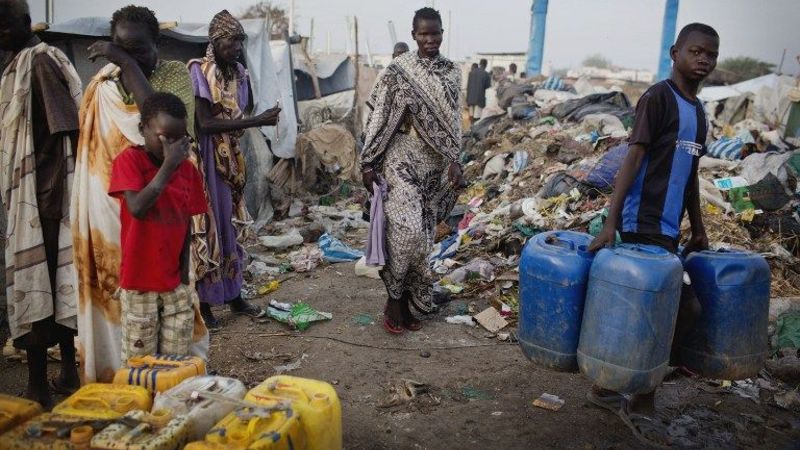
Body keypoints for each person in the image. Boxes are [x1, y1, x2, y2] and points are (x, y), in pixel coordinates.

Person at [586, 23, 719, 448]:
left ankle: (610, 389)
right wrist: (610, 223)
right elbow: (633, 158)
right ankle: (641, 400)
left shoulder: (697, 113)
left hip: (669, 230)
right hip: (640, 223)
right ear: (674, 52)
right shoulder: (657, 98)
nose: (703, 60)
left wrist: (697, 227)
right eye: (695, 51)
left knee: (662, 309)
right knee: (681, 309)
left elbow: (691, 173)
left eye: (710, 55)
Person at [71, 5, 209, 383]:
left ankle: (172, 389)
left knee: (174, 325)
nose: (128, 58)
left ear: (157, 44)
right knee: (128, 315)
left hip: (162, 211)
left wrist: (120, 60)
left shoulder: (173, 76)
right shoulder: (103, 84)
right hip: (111, 202)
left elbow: (154, 112)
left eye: (137, 51)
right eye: (120, 49)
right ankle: (120, 381)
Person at [361, 7, 463, 334]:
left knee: (423, 236)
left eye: (436, 33)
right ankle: (393, 300)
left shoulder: (452, 72)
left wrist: (455, 160)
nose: (430, 39)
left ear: (443, 33)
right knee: (404, 232)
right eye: (424, 34)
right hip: (400, 158)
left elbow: (453, 121)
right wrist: (368, 162)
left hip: (432, 166)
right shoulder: (398, 70)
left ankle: (408, 304)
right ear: (414, 35)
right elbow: (381, 117)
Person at [0, 0, 82, 407]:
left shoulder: (40, 62)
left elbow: (65, 130)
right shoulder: (20, 63)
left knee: (41, 289)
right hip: (38, 196)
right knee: (53, 289)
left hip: (45, 200)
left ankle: (39, 384)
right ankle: (67, 373)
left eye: (3, 27)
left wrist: (48, 201)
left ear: (19, 25)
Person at [189, 10, 280, 329]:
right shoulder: (200, 72)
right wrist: (258, 121)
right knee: (210, 226)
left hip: (232, 160)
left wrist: (257, 118)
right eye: (231, 42)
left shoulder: (239, 73)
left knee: (230, 228)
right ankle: (205, 302)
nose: (237, 48)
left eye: (240, 42)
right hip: (207, 161)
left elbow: (239, 111)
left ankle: (234, 294)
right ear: (215, 42)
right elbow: (206, 122)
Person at [109, 93, 207, 361]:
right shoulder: (129, 162)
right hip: (139, 281)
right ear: (143, 129)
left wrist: (185, 279)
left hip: (175, 282)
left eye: (179, 139)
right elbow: (138, 208)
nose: (172, 146)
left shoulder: (188, 172)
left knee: (175, 360)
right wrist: (168, 165)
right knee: (140, 361)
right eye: (165, 137)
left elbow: (186, 223)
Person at [466, 58, 491, 124]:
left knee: (471, 116)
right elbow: (487, 87)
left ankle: (471, 129)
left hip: (470, 98)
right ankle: (474, 131)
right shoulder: (486, 74)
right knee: (477, 117)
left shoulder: (471, 72)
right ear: (486, 65)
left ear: (480, 64)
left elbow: (468, 86)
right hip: (479, 99)